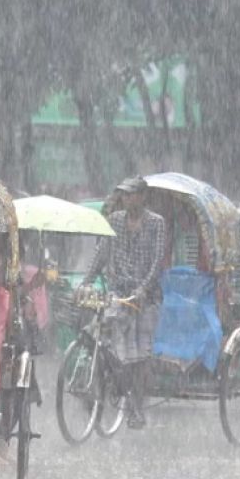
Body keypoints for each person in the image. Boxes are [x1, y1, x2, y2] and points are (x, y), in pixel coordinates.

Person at [79, 176, 166, 429]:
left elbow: (157, 261)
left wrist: (143, 289)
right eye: (124, 195)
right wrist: (86, 282)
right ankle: (105, 380)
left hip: (146, 296)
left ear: (142, 196)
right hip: (118, 292)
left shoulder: (156, 223)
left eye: (131, 194)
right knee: (101, 332)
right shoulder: (115, 220)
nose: (127, 199)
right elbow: (101, 254)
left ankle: (137, 407)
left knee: (139, 355)